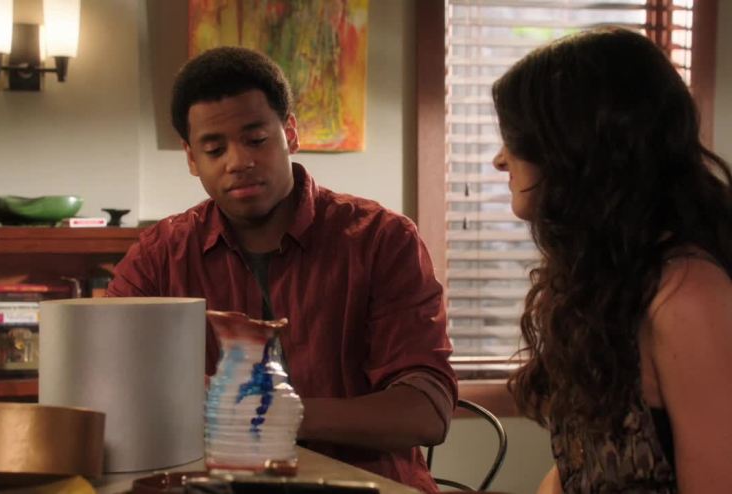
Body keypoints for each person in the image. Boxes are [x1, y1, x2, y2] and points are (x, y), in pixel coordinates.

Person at [107, 46, 457, 493]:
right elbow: (112, 377)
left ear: (290, 133)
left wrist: (269, 412)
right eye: (214, 149)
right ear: (192, 158)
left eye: (256, 140)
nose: (238, 162)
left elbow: (426, 412)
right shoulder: (161, 254)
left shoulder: (381, 239)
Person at [491, 27, 732, 493]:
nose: (500, 160)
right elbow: (580, 470)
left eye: (513, 139)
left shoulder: (687, 293)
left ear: (571, 148)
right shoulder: (606, 281)